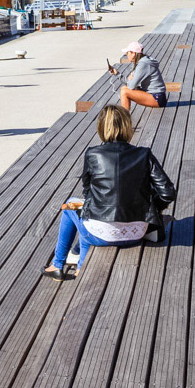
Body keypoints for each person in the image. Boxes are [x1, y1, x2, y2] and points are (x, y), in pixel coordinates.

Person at [44, 105, 175, 278]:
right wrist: (150, 208)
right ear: (128, 127)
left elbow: (88, 193)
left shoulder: (93, 154)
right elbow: (168, 192)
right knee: (86, 216)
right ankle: (80, 264)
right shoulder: (144, 154)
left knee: (72, 207)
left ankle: (57, 264)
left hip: (101, 235)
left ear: (101, 127)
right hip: (136, 233)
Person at [109, 41, 167, 111]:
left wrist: (130, 80)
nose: (126, 55)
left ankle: (124, 119)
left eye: (127, 53)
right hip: (154, 95)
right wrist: (117, 73)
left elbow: (131, 86)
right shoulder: (142, 62)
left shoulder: (143, 64)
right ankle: (125, 116)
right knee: (123, 89)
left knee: (125, 92)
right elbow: (130, 84)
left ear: (133, 53)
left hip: (157, 98)